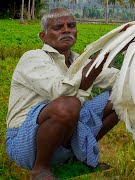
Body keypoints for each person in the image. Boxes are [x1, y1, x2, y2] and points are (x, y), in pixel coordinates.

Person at [6, 8, 120, 179]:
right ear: (43, 37)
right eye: (58, 27)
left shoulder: (78, 61)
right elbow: (62, 92)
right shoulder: (33, 58)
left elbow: (118, 78)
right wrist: (103, 55)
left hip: (68, 136)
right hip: (25, 143)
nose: (67, 30)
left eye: (71, 26)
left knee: (121, 97)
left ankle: (78, 158)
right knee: (68, 104)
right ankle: (40, 169)